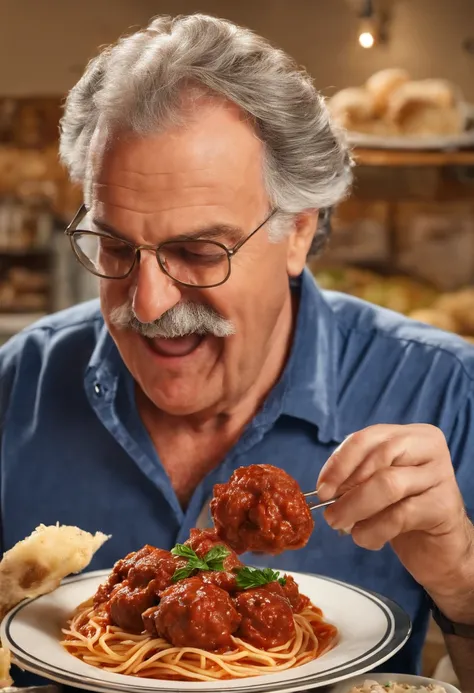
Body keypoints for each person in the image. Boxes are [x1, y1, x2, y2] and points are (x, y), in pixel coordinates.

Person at [1, 13, 474, 688]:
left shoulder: (445, 391)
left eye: (198, 252)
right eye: (115, 248)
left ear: (298, 231)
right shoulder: (18, 385)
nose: (149, 303)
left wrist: (461, 575)